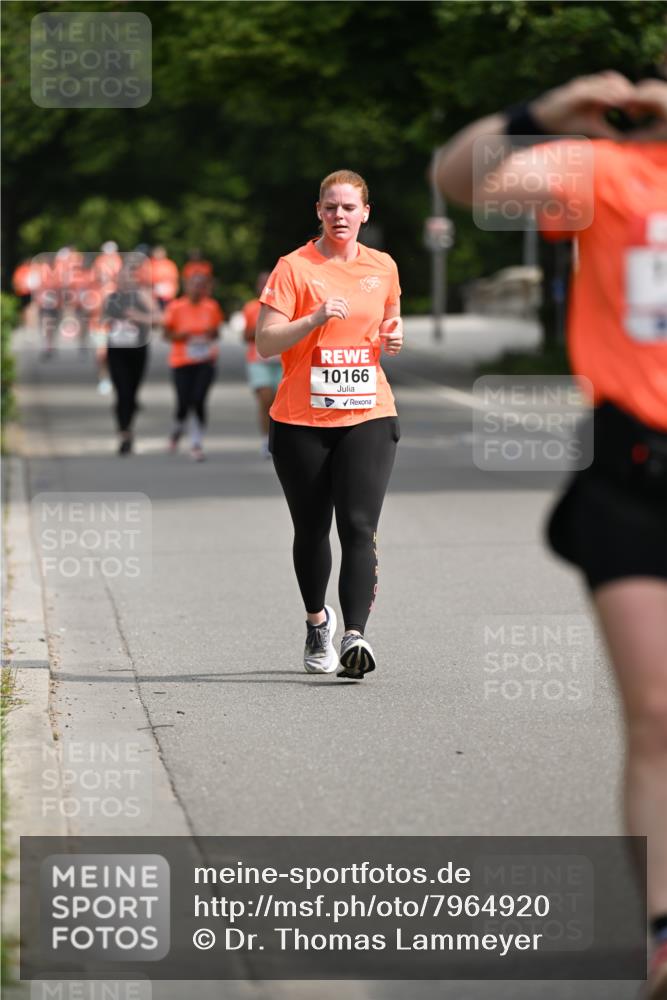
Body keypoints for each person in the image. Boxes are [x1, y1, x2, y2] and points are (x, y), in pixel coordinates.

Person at [434, 71, 667, 999]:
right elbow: (460, 179)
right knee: (657, 713)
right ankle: (663, 935)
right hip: (637, 469)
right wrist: (539, 116)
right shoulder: (608, 173)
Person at [256, 169, 403, 680]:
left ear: (365, 213)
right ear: (318, 212)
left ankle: (354, 637)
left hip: (368, 412)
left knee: (359, 526)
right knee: (312, 528)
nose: (340, 215)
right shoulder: (294, 267)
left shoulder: (383, 266)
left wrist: (394, 335)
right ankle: (318, 622)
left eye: (349, 207)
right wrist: (314, 318)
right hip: (301, 418)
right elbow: (266, 342)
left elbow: (389, 320)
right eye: (331, 207)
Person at [162, 271, 223, 461]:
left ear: (205, 288)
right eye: (193, 285)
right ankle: (177, 429)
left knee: (198, 399)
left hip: (205, 361)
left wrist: (209, 333)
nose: (197, 289)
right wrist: (181, 335)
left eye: (200, 285)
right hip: (181, 361)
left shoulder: (212, 307)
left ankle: (196, 442)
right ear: (186, 286)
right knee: (183, 401)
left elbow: (217, 333)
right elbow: (166, 334)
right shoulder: (175, 307)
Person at [100, 257, 154, 455]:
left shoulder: (143, 296)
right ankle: (125, 433)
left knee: (132, 393)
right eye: (122, 278)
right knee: (122, 391)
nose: (125, 281)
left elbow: (159, 318)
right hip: (117, 350)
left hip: (138, 350)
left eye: (129, 277)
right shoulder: (111, 298)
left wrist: (138, 317)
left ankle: (127, 423)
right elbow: (101, 320)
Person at [242, 271, 283, 457]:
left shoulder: (286, 303)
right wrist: (263, 330)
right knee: (265, 399)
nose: (266, 286)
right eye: (262, 283)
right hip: (259, 360)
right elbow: (245, 336)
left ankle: (279, 438)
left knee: (279, 403)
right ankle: (266, 440)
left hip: (282, 361)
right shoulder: (252, 307)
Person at [148, 245, 179, 310]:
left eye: (160, 252)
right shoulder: (150, 264)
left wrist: (175, 291)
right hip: (155, 295)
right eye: (157, 252)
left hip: (168, 295)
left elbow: (175, 279)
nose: (159, 254)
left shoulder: (170, 264)